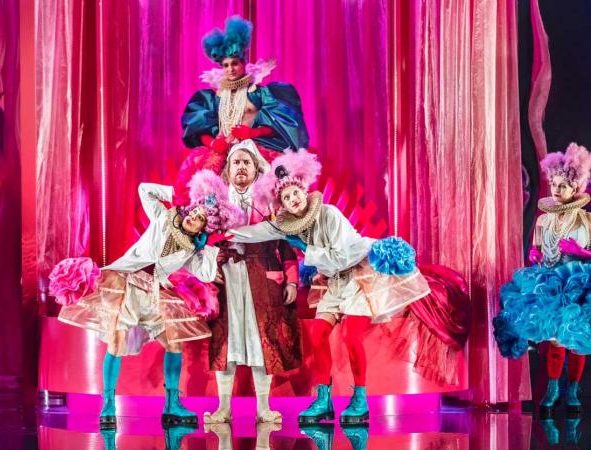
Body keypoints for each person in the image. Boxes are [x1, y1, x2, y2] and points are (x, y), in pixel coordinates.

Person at [229, 150, 431, 426]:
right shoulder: (288, 225)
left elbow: (340, 257)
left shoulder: (330, 214)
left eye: (295, 193)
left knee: (350, 335)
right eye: (286, 198)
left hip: (359, 278)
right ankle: (323, 400)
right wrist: (226, 233)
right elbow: (259, 233)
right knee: (318, 336)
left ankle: (359, 400)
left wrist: (305, 249)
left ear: (304, 190)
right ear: (283, 206)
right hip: (333, 284)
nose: (293, 199)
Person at [49, 170, 244, 429]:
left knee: (174, 343)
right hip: (127, 284)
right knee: (117, 343)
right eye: (194, 212)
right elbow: (144, 189)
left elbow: (205, 273)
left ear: (202, 228)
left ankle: (172, 403)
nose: (195, 217)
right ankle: (108, 403)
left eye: (200, 219)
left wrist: (211, 251)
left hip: (154, 293)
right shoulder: (164, 218)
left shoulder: (192, 249)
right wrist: (172, 192)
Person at [204, 140, 301, 425]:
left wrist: (292, 281)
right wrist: (210, 271)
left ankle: (263, 408)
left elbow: (286, 243)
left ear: (256, 168)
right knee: (226, 341)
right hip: (227, 279)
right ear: (228, 169)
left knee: (262, 340)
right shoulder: (214, 202)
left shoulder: (270, 203)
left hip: (262, 278)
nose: (242, 167)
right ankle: (224, 408)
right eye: (237, 162)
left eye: (247, 162)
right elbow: (201, 244)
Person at [494, 143, 591, 417]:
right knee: (554, 340)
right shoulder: (543, 221)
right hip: (549, 283)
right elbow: (537, 251)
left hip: (577, 283)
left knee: (574, 340)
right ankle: (552, 387)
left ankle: (572, 388)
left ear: (576, 188)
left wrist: (579, 251)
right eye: (554, 185)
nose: (557, 190)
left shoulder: (585, 220)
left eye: (563, 186)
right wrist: (535, 255)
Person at [175, 16, 309, 206]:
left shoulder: (258, 92)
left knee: (268, 195)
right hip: (222, 149)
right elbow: (199, 127)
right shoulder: (215, 96)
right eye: (226, 65)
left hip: (254, 148)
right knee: (204, 195)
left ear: (244, 62)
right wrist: (213, 143)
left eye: (235, 63)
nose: (230, 69)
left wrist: (253, 132)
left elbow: (278, 122)